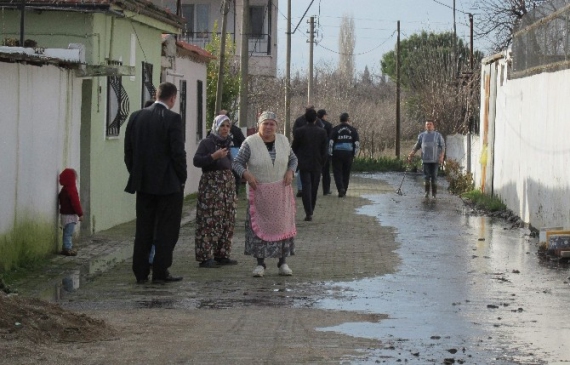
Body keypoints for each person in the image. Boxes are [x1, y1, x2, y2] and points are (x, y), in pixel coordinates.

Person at [124, 82, 187, 284]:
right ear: (172, 98)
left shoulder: (136, 117)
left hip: (143, 183)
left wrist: (136, 173)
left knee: (143, 228)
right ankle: (160, 271)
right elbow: (178, 152)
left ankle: (140, 272)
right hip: (168, 184)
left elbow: (128, 151)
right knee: (167, 230)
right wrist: (181, 177)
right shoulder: (173, 118)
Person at [232, 111, 298, 277]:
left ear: (276, 126)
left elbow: (293, 159)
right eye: (265, 123)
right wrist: (246, 175)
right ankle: (260, 263)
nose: (268, 127)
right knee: (258, 228)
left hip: (281, 192)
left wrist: (291, 171)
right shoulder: (250, 142)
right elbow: (237, 162)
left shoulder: (283, 140)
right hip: (259, 192)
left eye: (272, 124)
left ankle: (283, 262)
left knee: (282, 227)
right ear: (259, 125)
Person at [193, 114, 237, 268]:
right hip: (212, 186)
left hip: (227, 186)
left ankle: (222, 254)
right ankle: (205, 256)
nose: (225, 129)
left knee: (227, 219)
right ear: (216, 127)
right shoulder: (207, 142)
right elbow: (197, 161)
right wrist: (213, 156)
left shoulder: (228, 143)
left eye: (227, 126)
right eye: (222, 126)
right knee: (209, 220)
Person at [291, 108, 328, 221]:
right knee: (314, 187)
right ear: (316, 119)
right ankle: (311, 208)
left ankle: (308, 212)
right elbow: (324, 150)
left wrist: (295, 162)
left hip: (303, 163)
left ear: (305, 118)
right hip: (317, 163)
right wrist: (322, 162)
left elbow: (294, 148)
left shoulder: (299, 131)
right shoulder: (322, 132)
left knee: (306, 186)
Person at [407, 119, 446, 199]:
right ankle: (426, 193)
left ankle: (434, 194)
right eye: (427, 124)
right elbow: (417, 146)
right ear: (425, 126)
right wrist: (411, 154)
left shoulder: (438, 135)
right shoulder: (421, 136)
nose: (428, 126)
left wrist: (441, 157)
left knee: (434, 176)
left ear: (433, 126)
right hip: (425, 160)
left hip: (435, 160)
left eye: (430, 124)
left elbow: (443, 147)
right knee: (426, 177)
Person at [292, 105, 324, 197]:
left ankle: (301, 188)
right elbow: (322, 134)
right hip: (314, 150)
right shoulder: (318, 121)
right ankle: (307, 189)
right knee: (309, 171)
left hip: (302, 149)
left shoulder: (299, 120)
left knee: (301, 170)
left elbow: (295, 133)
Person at [329, 112, 360, 198]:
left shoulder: (335, 129)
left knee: (337, 172)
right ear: (348, 119)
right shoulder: (353, 130)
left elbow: (331, 143)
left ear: (340, 120)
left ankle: (340, 188)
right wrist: (354, 154)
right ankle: (344, 190)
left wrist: (330, 153)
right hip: (348, 154)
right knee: (346, 173)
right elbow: (357, 144)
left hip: (337, 153)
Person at [58, 168, 83, 256]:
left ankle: (66, 246)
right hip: (70, 216)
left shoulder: (63, 190)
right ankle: (68, 248)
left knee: (66, 232)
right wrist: (80, 214)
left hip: (64, 215)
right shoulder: (72, 190)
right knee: (69, 233)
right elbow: (76, 202)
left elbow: (60, 199)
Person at [317, 109, 333, 195]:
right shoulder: (328, 125)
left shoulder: (314, 124)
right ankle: (326, 190)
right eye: (326, 115)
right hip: (325, 151)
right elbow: (331, 140)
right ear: (323, 116)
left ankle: (313, 189)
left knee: (315, 172)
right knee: (326, 172)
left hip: (315, 151)